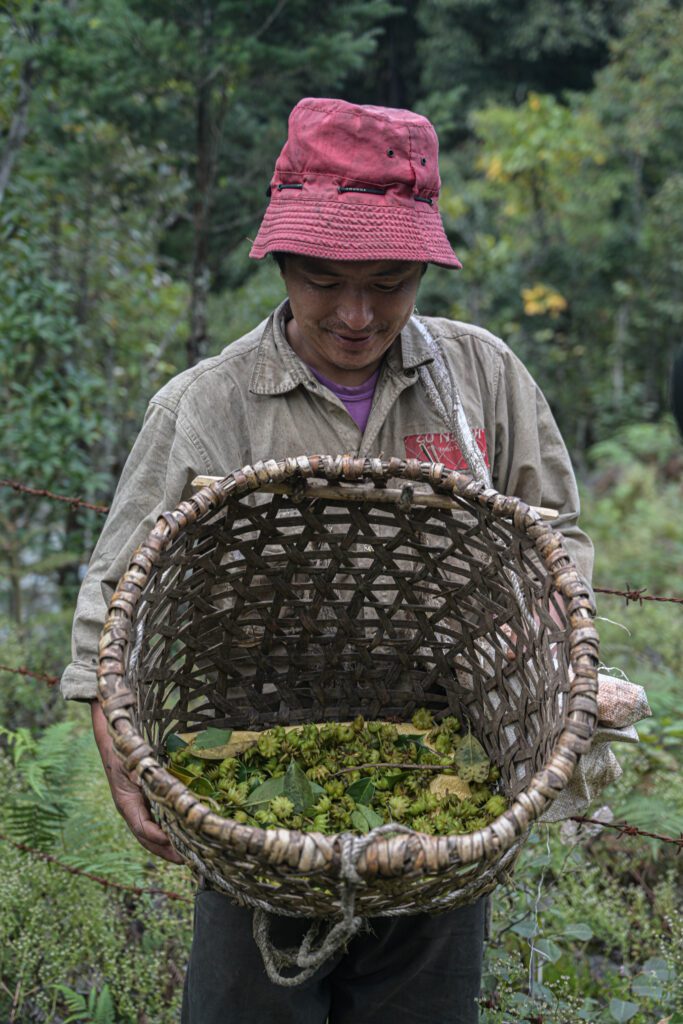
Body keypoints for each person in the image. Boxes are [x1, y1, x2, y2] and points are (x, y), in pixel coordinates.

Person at [61, 97, 593, 1023]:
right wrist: (115, 739)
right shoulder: (211, 407)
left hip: (446, 768)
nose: (355, 315)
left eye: (390, 283)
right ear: (278, 264)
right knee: (251, 1002)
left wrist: (540, 631)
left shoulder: (482, 379)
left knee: (423, 1001)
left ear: (424, 266)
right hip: (261, 774)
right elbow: (120, 594)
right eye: (321, 281)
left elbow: (556, 536)